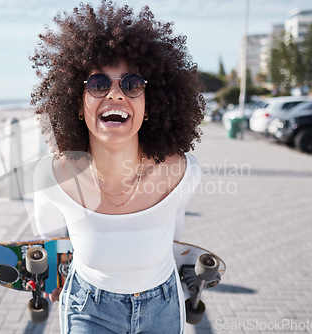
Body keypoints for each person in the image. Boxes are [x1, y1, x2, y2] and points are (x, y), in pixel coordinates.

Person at [30, 2, 204, 333]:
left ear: (149, 104)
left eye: (133, 84)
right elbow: (51, 239)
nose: (115, 94)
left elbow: (175, 229)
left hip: (164, 305)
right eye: (97, 84)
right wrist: (51, 273)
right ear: (77, 105)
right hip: (87, 307)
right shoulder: (52, 177)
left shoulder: (183, 172)